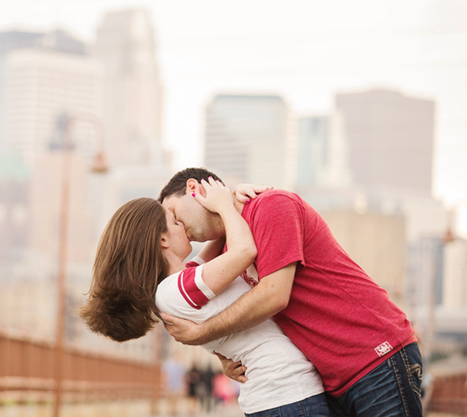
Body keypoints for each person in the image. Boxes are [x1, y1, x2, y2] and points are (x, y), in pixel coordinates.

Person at [158, 167, 422, 417]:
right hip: (330, 379)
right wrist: (224, 357)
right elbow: (209, 303)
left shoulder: (271, 206)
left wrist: (203, 333)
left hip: (375, 356)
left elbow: (274, 295)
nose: (175, 225)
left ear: (194, 189)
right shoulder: (230, 247)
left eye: (173, 214)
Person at [79, 178, 332, 416]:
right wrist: (225, 205)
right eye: (175, 222)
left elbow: (220, 237)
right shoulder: (178, 289)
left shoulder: (181, 283)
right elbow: (244, 250)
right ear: (163, 239)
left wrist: (232, 198)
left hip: (277, 394)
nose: (183, 226)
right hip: (287, 391)